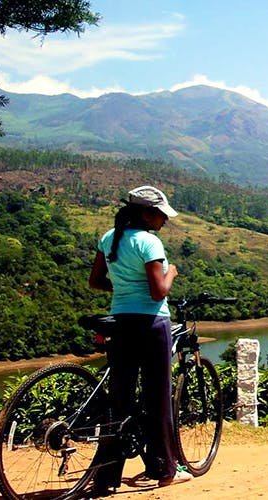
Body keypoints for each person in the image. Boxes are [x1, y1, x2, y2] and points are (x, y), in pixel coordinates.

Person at [88, 185, 192, 495]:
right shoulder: (150, 242)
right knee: (157, 397)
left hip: (120, 323)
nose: (165, 221)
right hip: (151, 323)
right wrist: (171, 271)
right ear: (147, 214)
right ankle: (165, 470)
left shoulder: (109, 238)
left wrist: (123, 292)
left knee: (121, 400)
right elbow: (159, 291)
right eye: (161, 215)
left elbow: (95, 281)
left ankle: (106, 477)